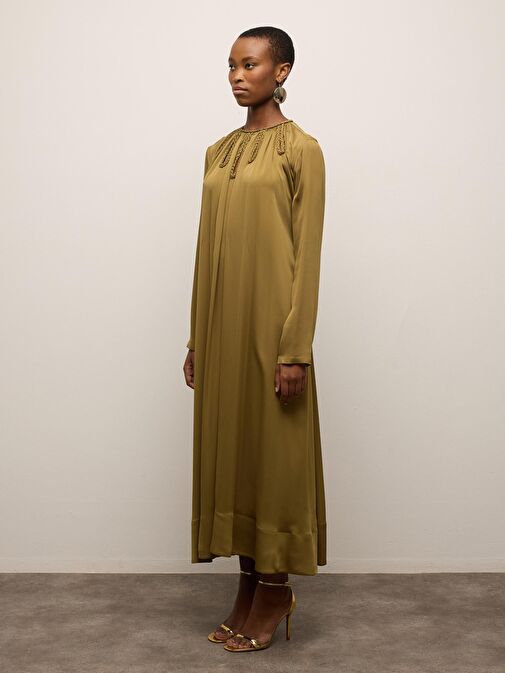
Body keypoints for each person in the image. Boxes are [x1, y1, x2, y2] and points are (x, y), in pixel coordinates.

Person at [183, 26, 327, 653]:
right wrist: (197, 338)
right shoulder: (218, 152)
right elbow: (204, 249)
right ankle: (248, 583)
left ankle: (275, 589)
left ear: (282, 72)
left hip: (273, 328)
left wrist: (294, 349)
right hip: (223, 327)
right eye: (232, 65)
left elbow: (308, 254)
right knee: (236, 452)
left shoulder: (303, 150)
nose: (237, 76)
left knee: (274, 454)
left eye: (250, 64)